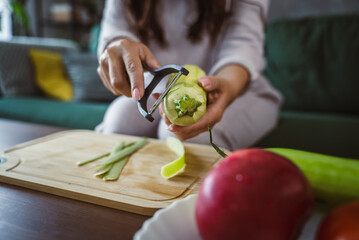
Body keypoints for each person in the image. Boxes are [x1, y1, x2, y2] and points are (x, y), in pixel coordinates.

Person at [96, 0, 282, 151]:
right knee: (119, 123)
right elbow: (116, 28)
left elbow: (243, 46)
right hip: (162, 87)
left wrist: (229, 85)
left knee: (185, 140)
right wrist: (117, 46)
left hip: (240, 88)